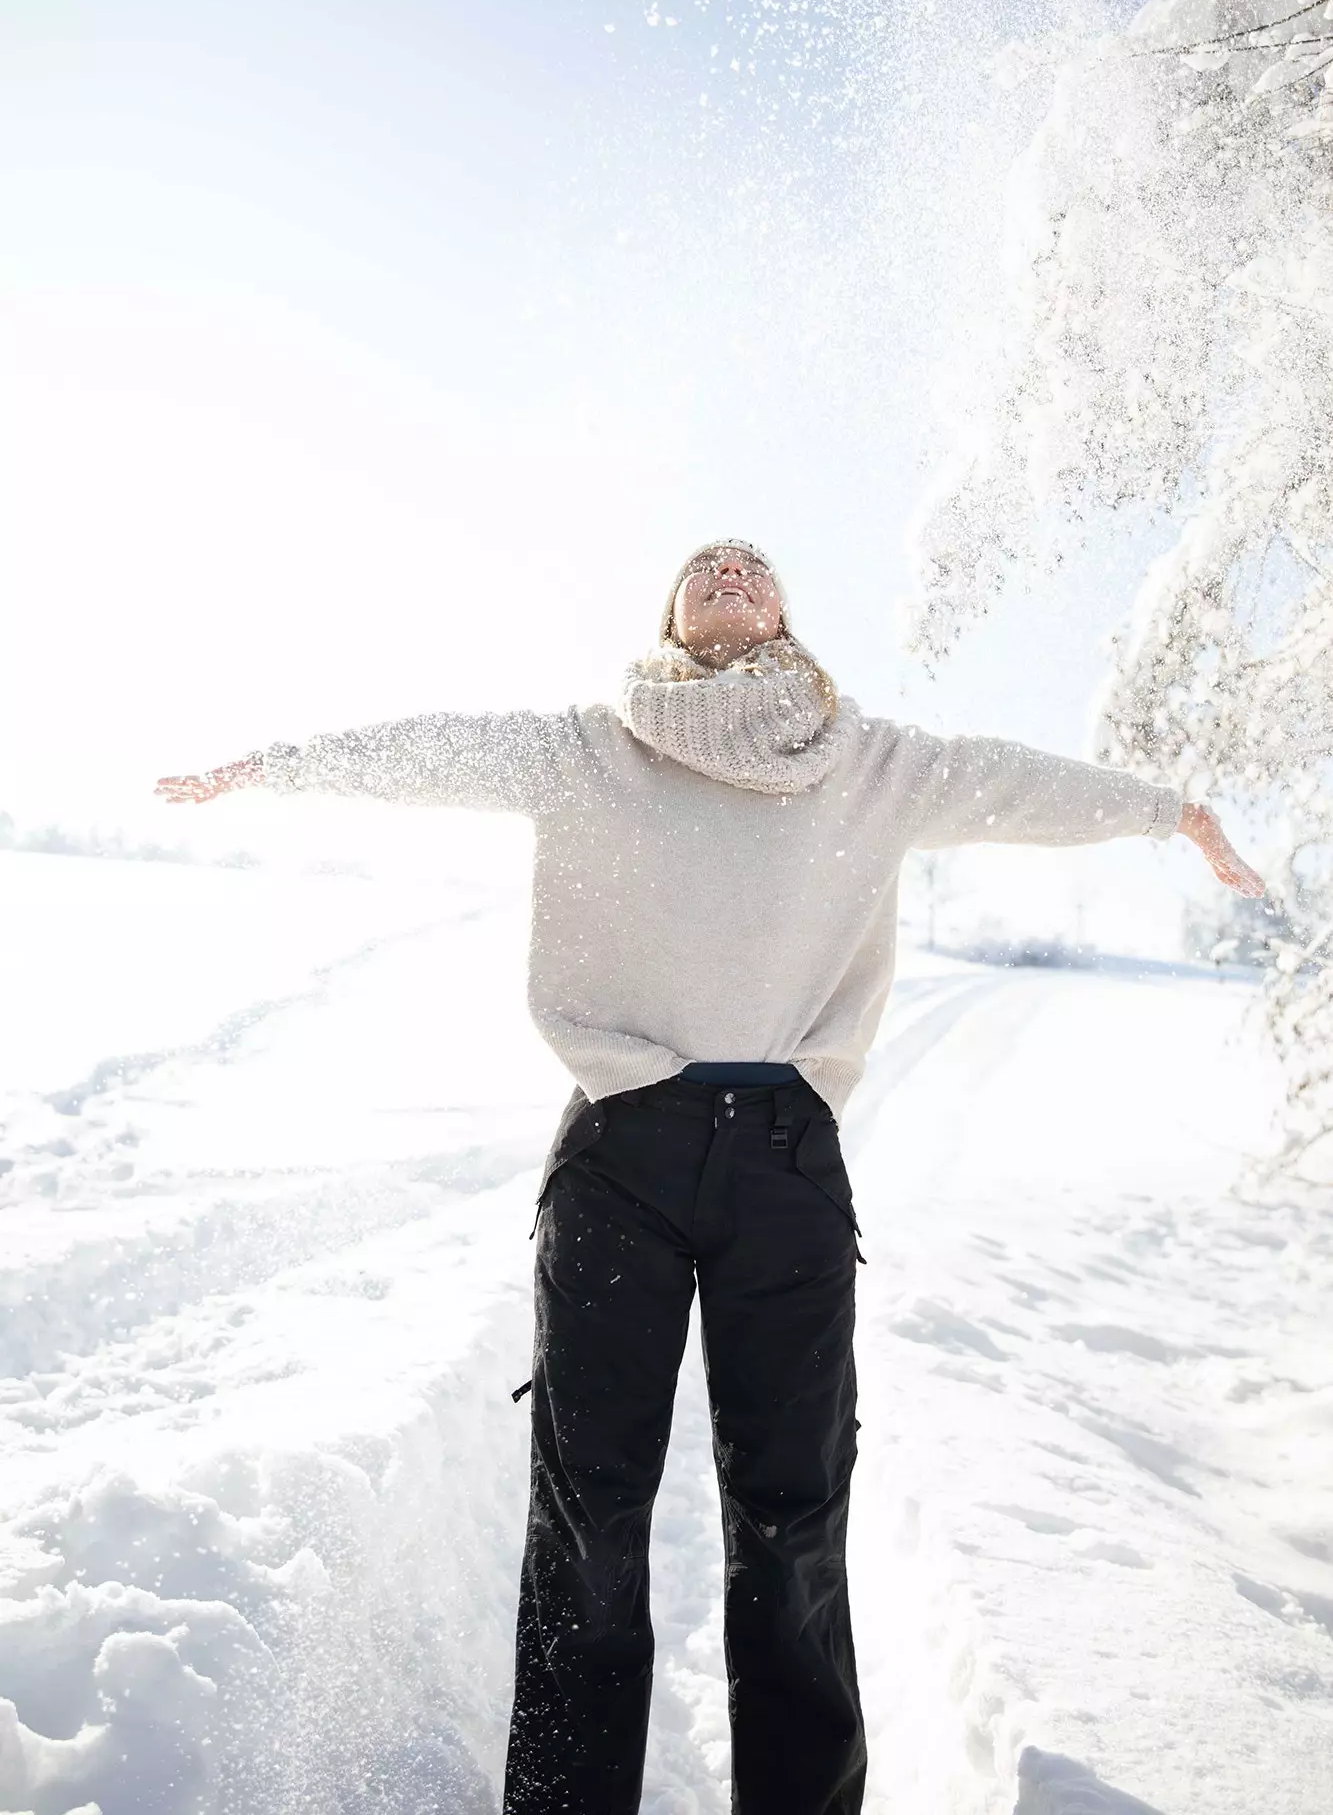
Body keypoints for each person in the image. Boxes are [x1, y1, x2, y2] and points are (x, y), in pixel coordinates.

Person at [156, 541, 1262, 1815]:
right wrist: (276, 766)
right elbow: (433, 749)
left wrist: (1168, 808)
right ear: (673, 614)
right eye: (705, 563)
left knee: (795, 1511)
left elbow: (1020, 785)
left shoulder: (874, 763)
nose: (731, 565)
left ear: (787, 612)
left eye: (754, 562)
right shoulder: (588, 746)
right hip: (620, 1149)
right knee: (591, 1504)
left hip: (787, 1160)